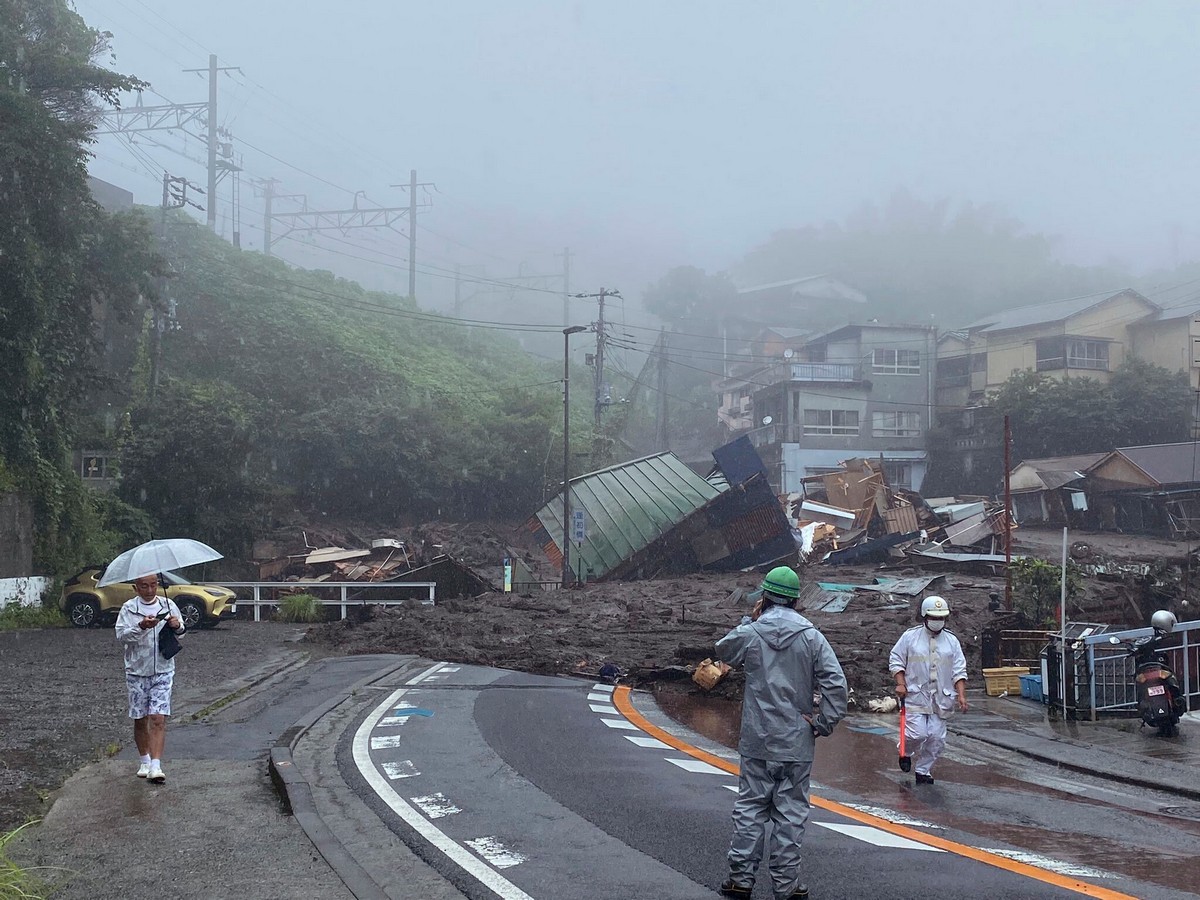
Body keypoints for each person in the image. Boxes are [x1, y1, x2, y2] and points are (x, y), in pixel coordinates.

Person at [715, 566, 848, 900]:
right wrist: (823, 723)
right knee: (790, 815)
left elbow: (723, 651)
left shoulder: (753, 632)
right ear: (795, 600)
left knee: (750, 809)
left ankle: (740, 880)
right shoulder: (812, 637)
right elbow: (836, 684)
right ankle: (786, 887)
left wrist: (749, 621)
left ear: (765, 597)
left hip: (757, 739)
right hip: (796, 741)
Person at [889, 595, 968, 785]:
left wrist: (962, 696)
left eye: (941, 618)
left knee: (936, 738)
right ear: (924, 616)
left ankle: (923, 770)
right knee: (917, 734)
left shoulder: (952, 642)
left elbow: (959, 670)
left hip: (941, 698)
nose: (937, 621)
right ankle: (905, 752)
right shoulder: (910, 637)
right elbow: (896, 659)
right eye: (933, 617)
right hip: (916, 695)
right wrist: (900, 683)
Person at [115, 574, 185, 784]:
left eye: (153, 585)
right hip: (137, 671)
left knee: (158, 717)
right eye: (144, 586)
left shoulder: (168, 604)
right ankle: (144, 760)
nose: (150, 590)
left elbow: (181, 632)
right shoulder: (129, 608)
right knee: (140, 718)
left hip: (163, 669)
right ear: (136, 588)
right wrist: (141, 627)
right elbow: (121, 636)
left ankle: (156, 765)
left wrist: (176, 625)